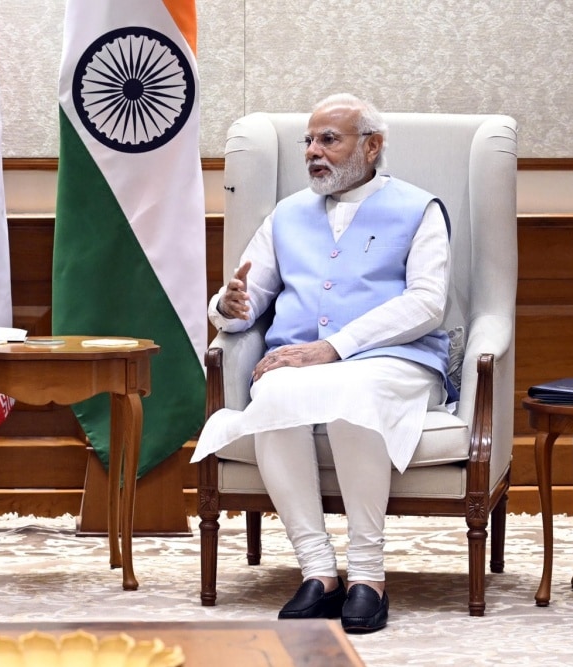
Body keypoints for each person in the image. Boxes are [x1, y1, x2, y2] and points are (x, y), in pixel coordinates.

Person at [190, 93, 455, 633]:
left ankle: (367, 575)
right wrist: (227, 306)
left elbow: (429, 303)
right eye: (308, 141)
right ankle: (318, 571)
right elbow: (244, 302)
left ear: (373, 146)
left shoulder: (419, 208)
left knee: (348, 396)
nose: (313, 151)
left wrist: (336, 348)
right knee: (276, 395)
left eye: (328, 139)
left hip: (395, 362)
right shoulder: (286, 215)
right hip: (302, 361)